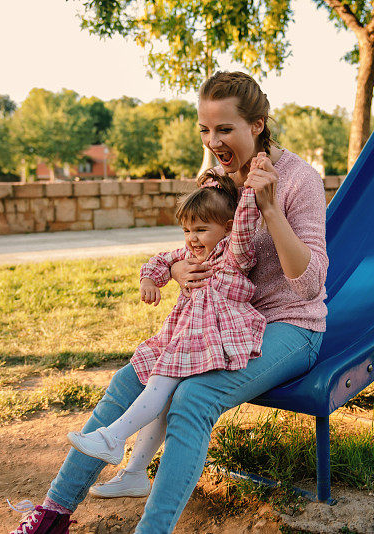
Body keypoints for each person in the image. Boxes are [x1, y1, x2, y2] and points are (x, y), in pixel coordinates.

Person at [7, 70, 328, 534]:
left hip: (289, 326)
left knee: (192, 398)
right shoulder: (217, 177)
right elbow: (197, 243)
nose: (213, 141)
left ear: (257, 125)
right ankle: (53, 512)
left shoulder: (300, 181)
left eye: (224, 129)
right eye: (204, 129)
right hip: (223, 321)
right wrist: (178, 269)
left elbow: (310, 286)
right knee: (128, 379)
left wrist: (271, 208)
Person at [65, 170, 266, 496]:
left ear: (227, 228)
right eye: (187, 230)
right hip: (183, 337)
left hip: (213, 338)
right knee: (165, 395)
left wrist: (249, 192)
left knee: (159, 383)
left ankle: (113, 438)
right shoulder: (189, 256)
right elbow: (160, 260)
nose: (192, 238)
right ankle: (133, 474)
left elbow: (245, 228)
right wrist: (150, 280)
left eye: (202, 229)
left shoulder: (233, 253)